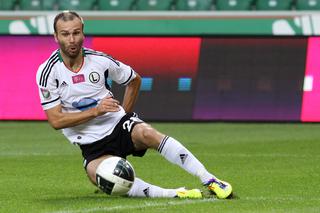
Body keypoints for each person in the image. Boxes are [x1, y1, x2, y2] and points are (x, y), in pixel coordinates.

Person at [36, 11, 232, 199]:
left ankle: (210, 180)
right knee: (103, 180)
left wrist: (124, 116)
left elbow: (134, 80)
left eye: (76, 33)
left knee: (148, 134)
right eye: (65, 34)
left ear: (83, 33)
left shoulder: (99, 60)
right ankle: (175, 193)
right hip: (90, 143)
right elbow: (56, 120)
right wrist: (96, 111)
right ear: (55, 36)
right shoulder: (48, 72)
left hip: (116, 124)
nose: (72, 39)